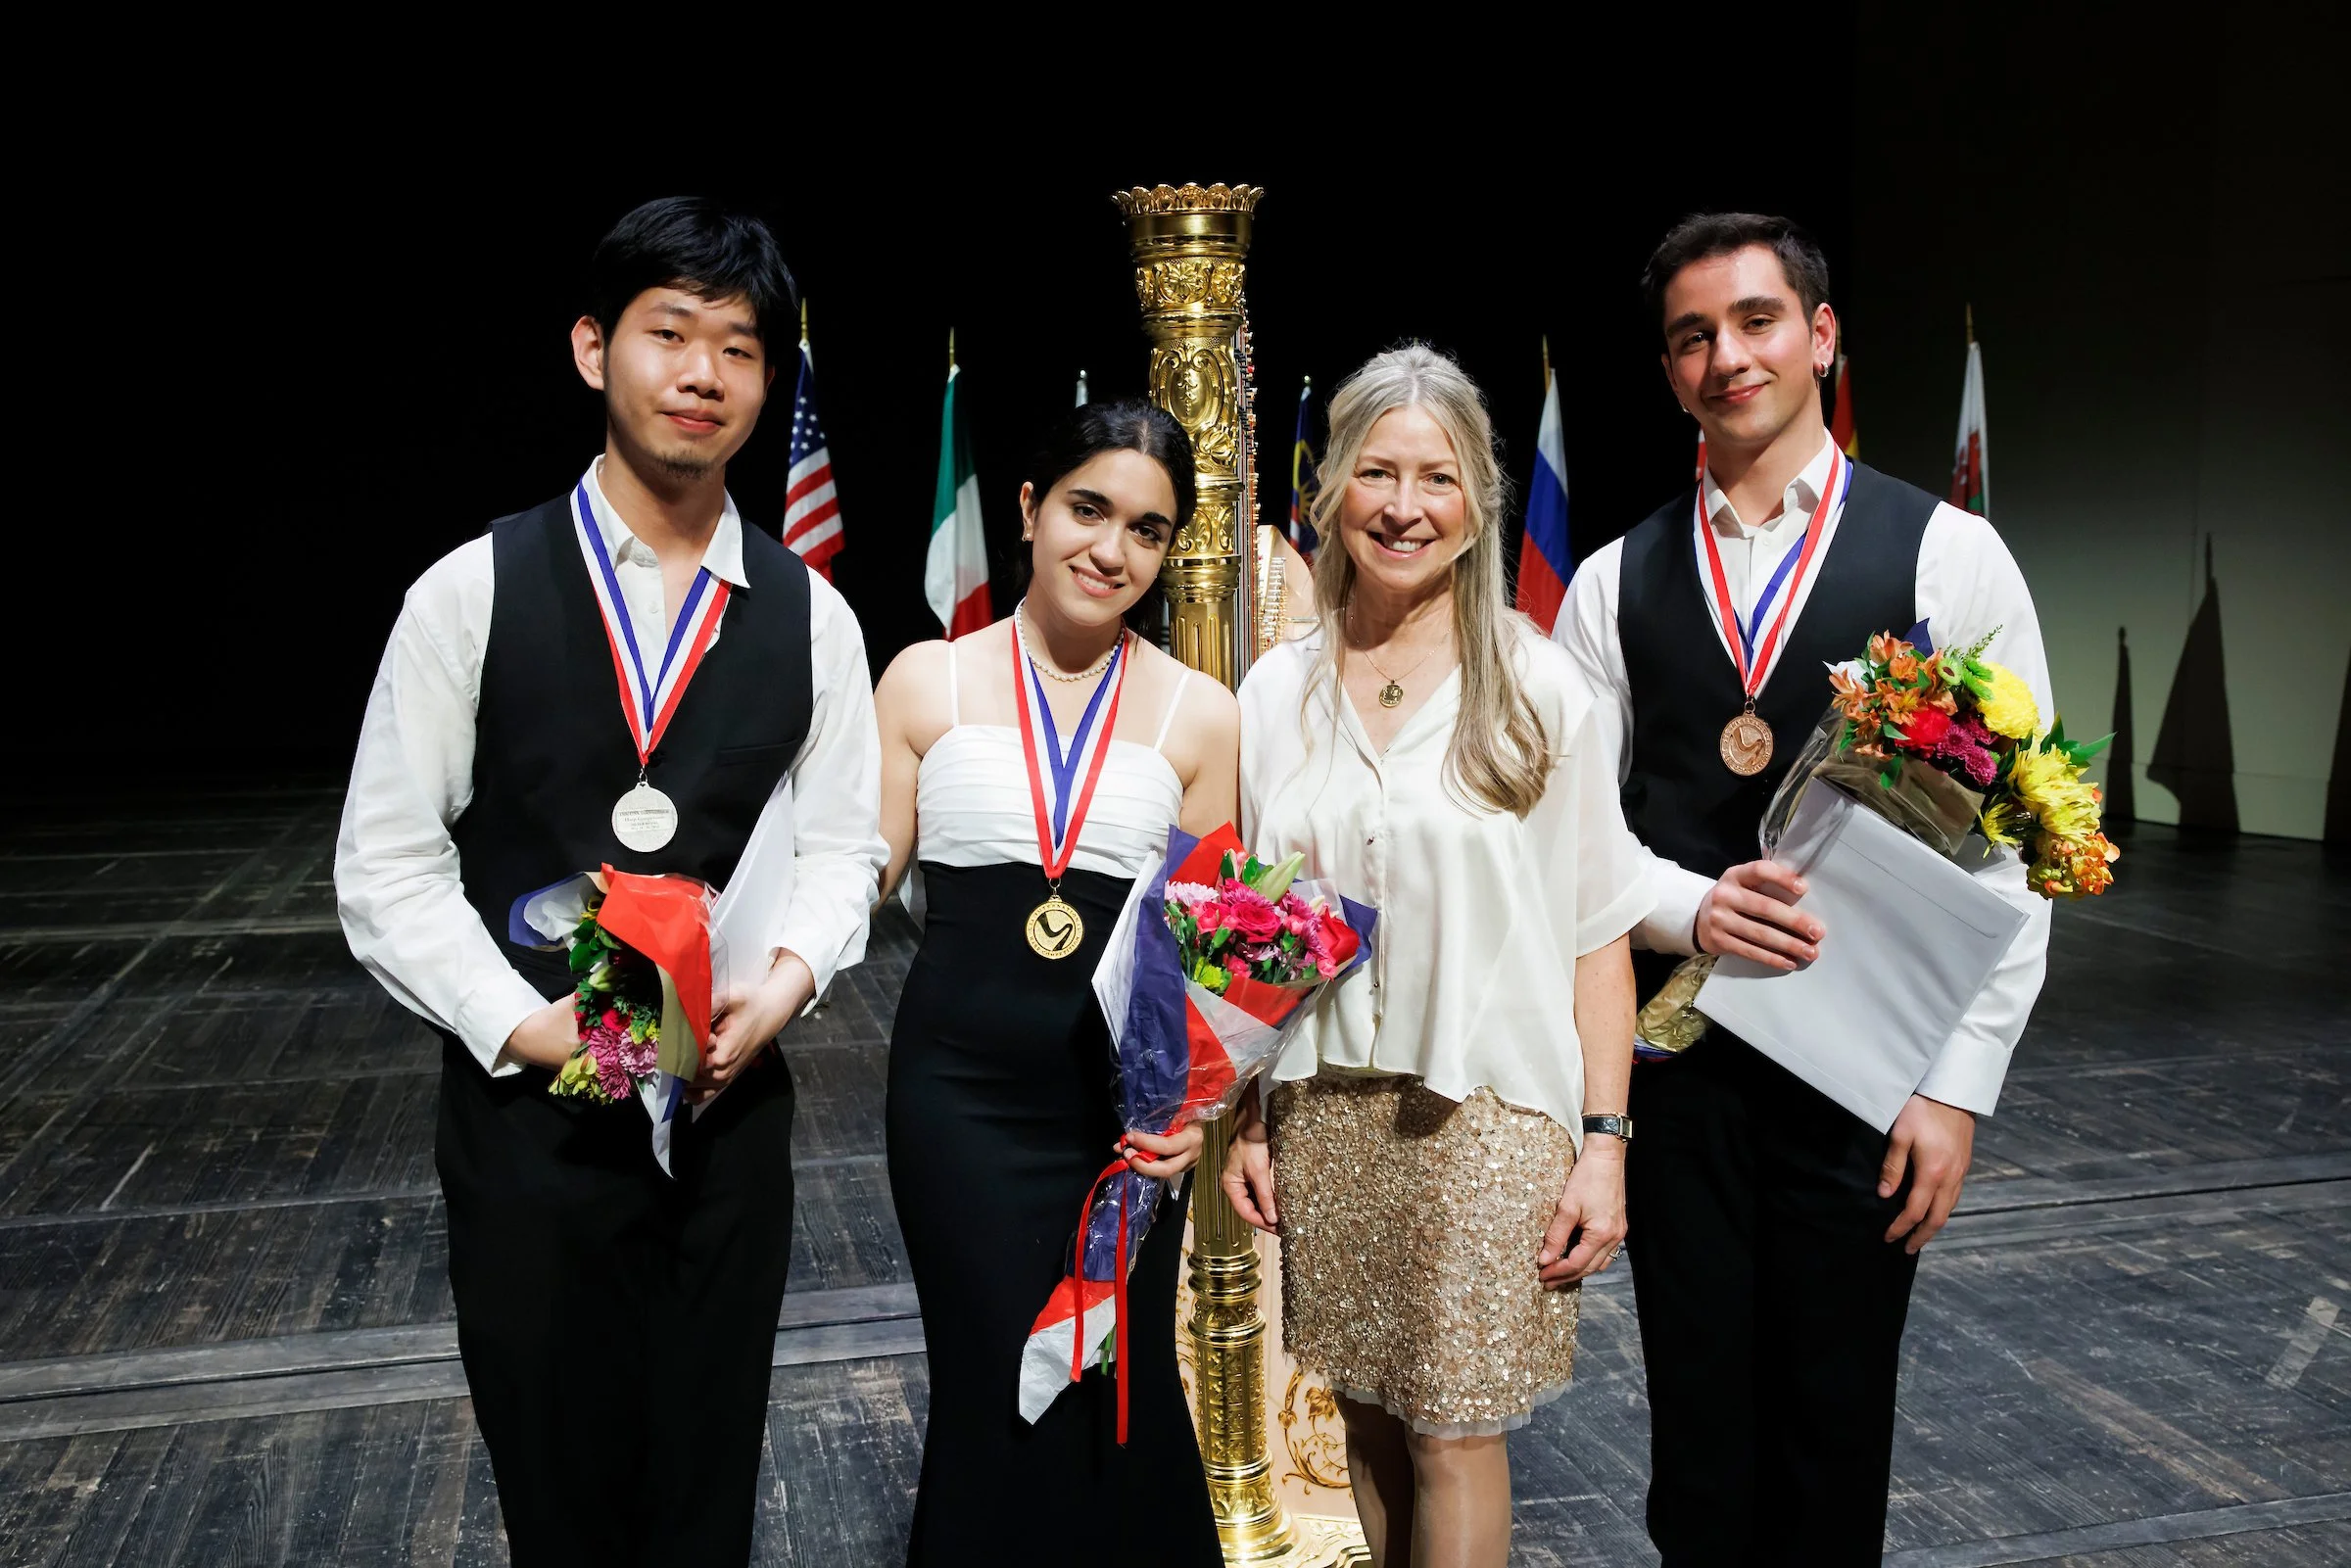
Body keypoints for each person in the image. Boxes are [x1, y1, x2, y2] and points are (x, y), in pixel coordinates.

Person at [333, 197, 887, 1566]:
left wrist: (783, 988)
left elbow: (844, 849)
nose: (704, 374)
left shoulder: (813, 615)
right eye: (670, 333)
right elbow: (387, 866)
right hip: (534, 1135)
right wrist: (528, 1029)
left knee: (706, 1497)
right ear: (594, 349)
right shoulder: (469, 591)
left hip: (727, 1125)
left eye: (740, 348)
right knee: (562, 1503)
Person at [1554, 213, 2052, 1564]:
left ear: (1821, 337)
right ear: (1670, 372)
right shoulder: (1609, 582)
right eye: (1693, 336)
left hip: (1869, 1072)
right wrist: (1686, 907)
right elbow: (1571, 842)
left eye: (1757, 320)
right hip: (1681, 1073)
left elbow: (2019, 844)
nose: (1728, 356)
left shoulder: (1949, 555)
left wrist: (1957, 1086)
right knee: (1699, 1448)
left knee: (1834, 1436)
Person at [1223, 346, 1652, 1568]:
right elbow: (1254, 926)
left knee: (1455, 1427)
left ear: (1478, 504)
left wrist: (1607, 1145)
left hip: (1490, 1113)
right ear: (1332, 492)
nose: (1404, 505)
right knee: (1363, 1410)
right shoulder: (1276, 692)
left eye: (1438, 477)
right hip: (1325, 1108)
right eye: (1377, 472)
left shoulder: (1541, 687)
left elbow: (1599, 934)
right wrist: (1248, 1117)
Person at [874, 400, 1236, 1564]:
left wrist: (1194, 1107)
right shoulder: (924, 681)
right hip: (958, 1104)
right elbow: (852, 877)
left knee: (1117, 1385)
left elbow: (1209, 947)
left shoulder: (1201, 713)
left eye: (1147, 528)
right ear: (1029, 508)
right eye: (1088, 508)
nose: (1111, 548)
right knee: (991, 1382)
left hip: (1122, 1120)